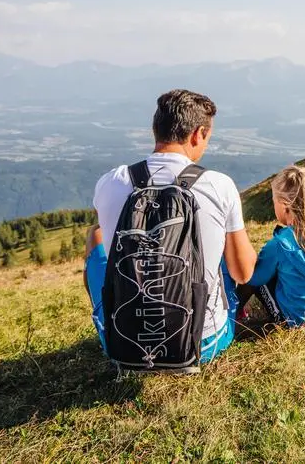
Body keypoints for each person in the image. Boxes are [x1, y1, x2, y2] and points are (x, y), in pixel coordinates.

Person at [85, 89, 257, 366]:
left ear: (157, 129)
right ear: (197, 134)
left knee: (95, 236)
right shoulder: (219, 185)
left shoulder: (111, 182)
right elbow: (243, 272)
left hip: (123, 345)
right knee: (221, 254)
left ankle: (113, 316)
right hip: (202, 344)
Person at [236, 165, 305, 328]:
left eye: (274, 201)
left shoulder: (280, 244)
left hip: (293, 321)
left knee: (253, 271)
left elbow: (253, 278)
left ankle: (232, 316)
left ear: (285, 206)